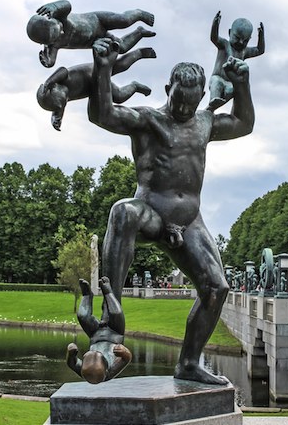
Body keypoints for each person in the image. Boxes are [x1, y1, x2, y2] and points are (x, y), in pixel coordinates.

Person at [87, 38, 254, 385]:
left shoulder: (204, 123)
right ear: (168, 89)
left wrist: (242, 84)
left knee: (216, 288)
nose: (183, 109)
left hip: (189, 221)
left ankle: (189, 363)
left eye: (191, 104)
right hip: (152, 212)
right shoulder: (148, 121)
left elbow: (243, 123)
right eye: (179, 100)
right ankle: (109, 325)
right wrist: (103, 70)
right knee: (122, 212)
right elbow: (103, 114)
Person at [37, 46, 155, 131]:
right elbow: (59, 107)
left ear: (54, 87)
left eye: (63, 97)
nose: (66, 98)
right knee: (119, 96)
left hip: (93, 73)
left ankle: (140, 53)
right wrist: (56, 118)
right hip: (94, 88)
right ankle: (135, 86)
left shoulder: (60, 79)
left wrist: (48, 81)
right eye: (63, 102)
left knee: (119, 66)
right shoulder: (59, 101)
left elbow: (62, 70)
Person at [27, 0, 155, 67]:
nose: (62, 31)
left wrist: (54, 6)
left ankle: (138, 13)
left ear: (51, 18)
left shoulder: (60, 17)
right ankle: (139, 33)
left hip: (98, 20)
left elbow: (67, 5)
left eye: (58, 27)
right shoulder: (53, 45)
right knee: (121, 47)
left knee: (124, 20)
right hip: (96, 40)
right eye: (57, 35)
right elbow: (51, 60)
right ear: (47, 42)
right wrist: (47, 62)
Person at [67, 277, 132, 384]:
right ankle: (108, 292)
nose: (95, 351)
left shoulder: (85, 371)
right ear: (105, 367)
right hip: (114, 333)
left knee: (82, 315)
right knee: (116, 313)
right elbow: (127, 359)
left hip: (95, 334)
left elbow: (72, 364)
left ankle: (87, 295)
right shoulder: (109, 372)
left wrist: (71, 354)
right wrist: (124, 352)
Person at [208, 11, 264, 111]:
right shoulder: (224, 44)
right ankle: (214, 100)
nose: (241, 42)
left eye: (245, 40)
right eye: (237, 38)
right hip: (218, 77)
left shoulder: (244, 51)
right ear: (230, 33)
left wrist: (261, 36)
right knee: (216, 83)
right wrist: (215, 24)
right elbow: (214, 38)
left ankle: (217, 106)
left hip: (230, 83)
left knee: (233, 89)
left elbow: (259, 50)